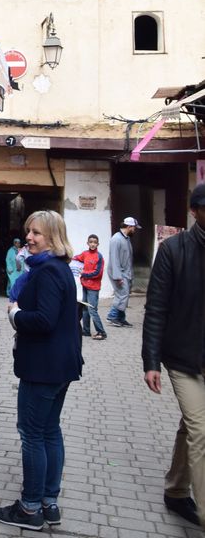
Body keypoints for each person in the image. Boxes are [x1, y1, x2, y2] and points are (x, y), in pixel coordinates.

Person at [0, 210, 82, 532]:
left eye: (36, 233)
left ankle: (30, 508)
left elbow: (45, 320)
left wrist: (15, 314)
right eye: (28, 231)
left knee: (32, 434)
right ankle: (48, 502)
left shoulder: (47, 272)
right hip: (60, 365)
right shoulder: (58, 268)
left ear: (53, 238)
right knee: (49, 431)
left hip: (43, 368)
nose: (28, 238)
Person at [141, 184, 205, 530]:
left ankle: (177, 491)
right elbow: (156, 309)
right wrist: (151, 362)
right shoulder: (174, 250)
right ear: (195, 211)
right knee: (202, 430)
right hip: (183, 359)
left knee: (191, 426)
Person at [107, 216, 141, 327]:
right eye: (134, 228)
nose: (134, 230)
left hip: (125, 272)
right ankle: (112, 316)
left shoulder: (126, 238)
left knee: (125, 294)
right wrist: (118, 276)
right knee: (122, 294)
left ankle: (121, 318)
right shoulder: (116, 239)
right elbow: (114, 259)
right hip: (119, 273)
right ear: (129, 227)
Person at [72, 234, 106, 339]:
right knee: (85, 309)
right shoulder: (85, 254)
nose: (93, 244)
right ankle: (86, 331)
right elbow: (75, 258)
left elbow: (97, 273)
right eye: (91, 242)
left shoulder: (99, 257)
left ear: (98, 244)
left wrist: (84, 273)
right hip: (85, 286)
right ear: (87, 243)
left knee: (92, 310)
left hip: (93, 288)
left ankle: (101, 332)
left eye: (95, 242)